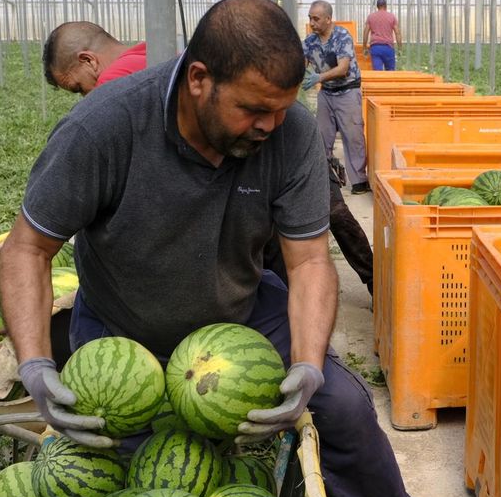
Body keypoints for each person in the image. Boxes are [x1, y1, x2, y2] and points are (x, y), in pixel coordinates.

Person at [3, 0, 481, 497]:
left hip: (239, 312)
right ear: (199, 80)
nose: (269, 127)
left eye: (281, 110)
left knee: (343, 407)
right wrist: (36, 363)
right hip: (124, 327)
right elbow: (26, 250)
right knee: (134, 470)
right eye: (254, 109)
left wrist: (308, 362)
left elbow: (308, 262)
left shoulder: (290, 133)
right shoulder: (105, 125)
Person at [40, 18, 375, 299]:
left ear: (88, 61)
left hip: (258, 155)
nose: (83, 95)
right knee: (314, 222)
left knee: (293, 232)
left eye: (76, 88)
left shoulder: (112, 89)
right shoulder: (152, 52)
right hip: (270, 156)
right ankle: (362, 283)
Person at [303, 1, 369, 195]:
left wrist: (319, 77)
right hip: (327, 92)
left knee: (353, 136)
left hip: (347, 91)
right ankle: (325, 179)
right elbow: (300, 63)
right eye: (310, 18)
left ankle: (358, 181)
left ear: (328, 19)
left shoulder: (341, 36)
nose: (312, 23)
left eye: (316, 18)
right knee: (321, 137)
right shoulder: (309, 42)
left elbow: (343, 68)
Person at [41, 21, 148, 94]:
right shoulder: (150, 51)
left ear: (88, 60)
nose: (86, 97)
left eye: (79, 88)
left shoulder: (111, 82)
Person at [362, 0, 400, 71]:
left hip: (375, 48)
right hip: (388, 48)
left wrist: (364, 47)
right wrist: (400, 48)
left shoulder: (371, 17)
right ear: (386, 6)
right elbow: (397, 33)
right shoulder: (392, 17)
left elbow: (365, 33)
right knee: (390, 73)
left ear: (377, 6)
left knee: (377, 73)